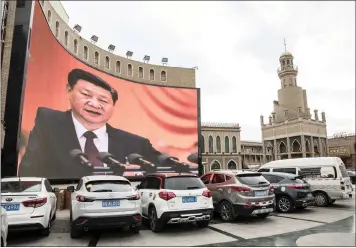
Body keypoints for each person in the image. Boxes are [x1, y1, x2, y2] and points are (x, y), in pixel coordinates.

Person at [19, 68, 163, 179]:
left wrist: (139, 176)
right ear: (69, 91)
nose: (94, 104)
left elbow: (163, 172)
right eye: (86, 95)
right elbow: (29, 173)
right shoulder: (49, 124)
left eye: (103, 100)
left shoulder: (135, 144)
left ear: (113, 106)